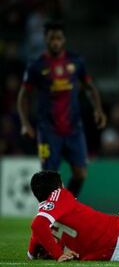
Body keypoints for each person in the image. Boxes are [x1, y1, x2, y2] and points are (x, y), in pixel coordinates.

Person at [17, 21, 107, 197]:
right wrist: (25, 123)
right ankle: (51, 214)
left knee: (80, 174)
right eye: (52, 38)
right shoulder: (36, 65)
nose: (55, 42)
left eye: (58, 38)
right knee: (49, 178)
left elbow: (90, 87)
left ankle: (68, 207)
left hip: (74, 129)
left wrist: (98, 109)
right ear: (46, 39)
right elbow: (23, 96)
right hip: (48, 130)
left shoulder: (76, 61)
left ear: (64, 39)